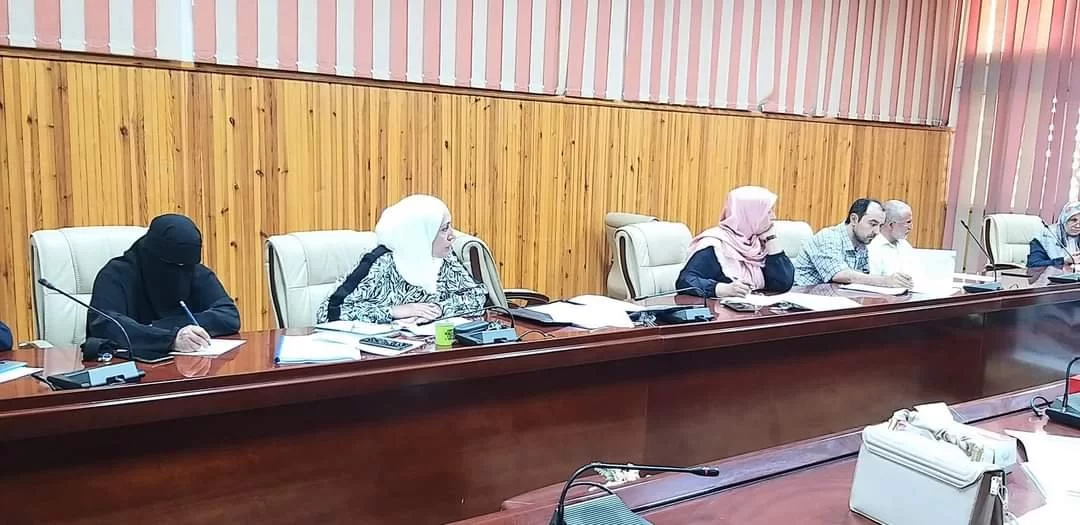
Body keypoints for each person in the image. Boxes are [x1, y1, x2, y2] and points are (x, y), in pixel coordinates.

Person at [316, 194, 487, 325]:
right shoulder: (378, 263)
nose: (452, 236)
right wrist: (395, 311)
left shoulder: (444, 259)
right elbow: (328, 312)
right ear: (420, 235)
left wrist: (438, 309)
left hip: (431, 347)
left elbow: (477, 297)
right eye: (444, 229)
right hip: (381, 355)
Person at [87, 214, 241, 358]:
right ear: (151, 255)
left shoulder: (193, 270)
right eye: (172, 265)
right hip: (130, 369)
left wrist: (161, 327)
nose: (181, 273)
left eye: (186, 266)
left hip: (192, 368)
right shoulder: (116, 274)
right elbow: (105, 325)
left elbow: (229, 316)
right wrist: (170, 338)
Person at [676, 186, 794, 297]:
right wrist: (722, 289)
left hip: (757, 308)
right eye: (768, 212)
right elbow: (684, 281)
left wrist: (771, 239)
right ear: (750, 215)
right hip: (721, 310)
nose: (773, 216)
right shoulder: (716, 244)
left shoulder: (758, 243)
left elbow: (783, 284)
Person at [793, 198, 913, 287]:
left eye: (880, 226)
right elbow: (840, 275)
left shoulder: (862, 243)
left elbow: (862, 277)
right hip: (799, 302)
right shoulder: (828, 237)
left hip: (831, 301)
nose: (877, 231)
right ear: (854, 219)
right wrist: (886, 281)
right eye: (873, 224)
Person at [868, 200, 916, 276]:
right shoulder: (872, 248)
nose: (910, 227)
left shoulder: (905, 245)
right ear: (891, 225)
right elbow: (870, 281)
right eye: (908, 222)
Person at [1028, 201, 1080, 268]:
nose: (1078, 225)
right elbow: (1033, 264)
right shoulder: (1045, 236)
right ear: (1064, 219)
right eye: (1073, 220)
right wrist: (1064, 260)